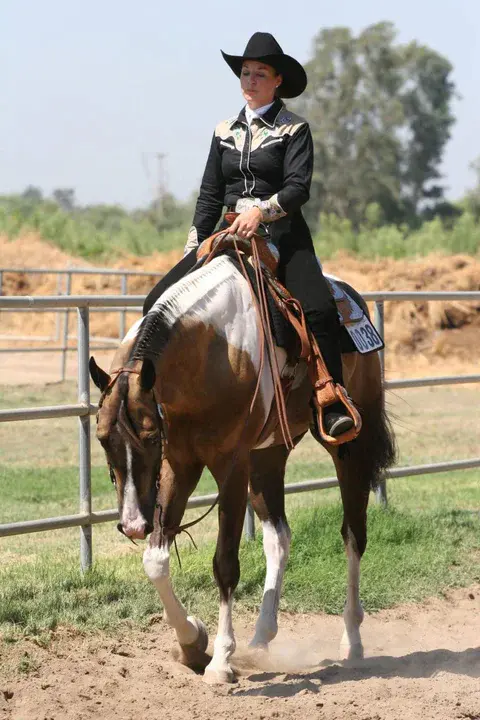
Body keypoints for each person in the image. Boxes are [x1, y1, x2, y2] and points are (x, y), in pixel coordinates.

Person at [143, 32, 353, 438]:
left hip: (284, 234)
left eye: (260, 74)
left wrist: (262, 211)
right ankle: (151, 398)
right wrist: (192, 251)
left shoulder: (295, 129)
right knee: (158, 300)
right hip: (226, 232)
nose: (250, 80)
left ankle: (331, 397)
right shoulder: (224, 129)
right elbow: (209, 195)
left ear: (277, 81)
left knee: (320, 310)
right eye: (245, 73)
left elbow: (298, 187)